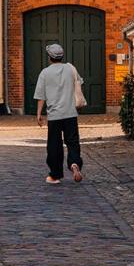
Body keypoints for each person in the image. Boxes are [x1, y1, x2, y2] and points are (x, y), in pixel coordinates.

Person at [33, 43, 83, 184]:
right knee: (72, 142)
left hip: (54, 115)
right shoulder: (70, 69)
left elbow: (41, 96)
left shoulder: (45, 73)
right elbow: (79, 84)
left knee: (54, 145)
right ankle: (74, 163)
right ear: (62, 56)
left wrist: (38, 114)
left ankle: (55, 175)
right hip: (70, 113)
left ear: (49, 57)